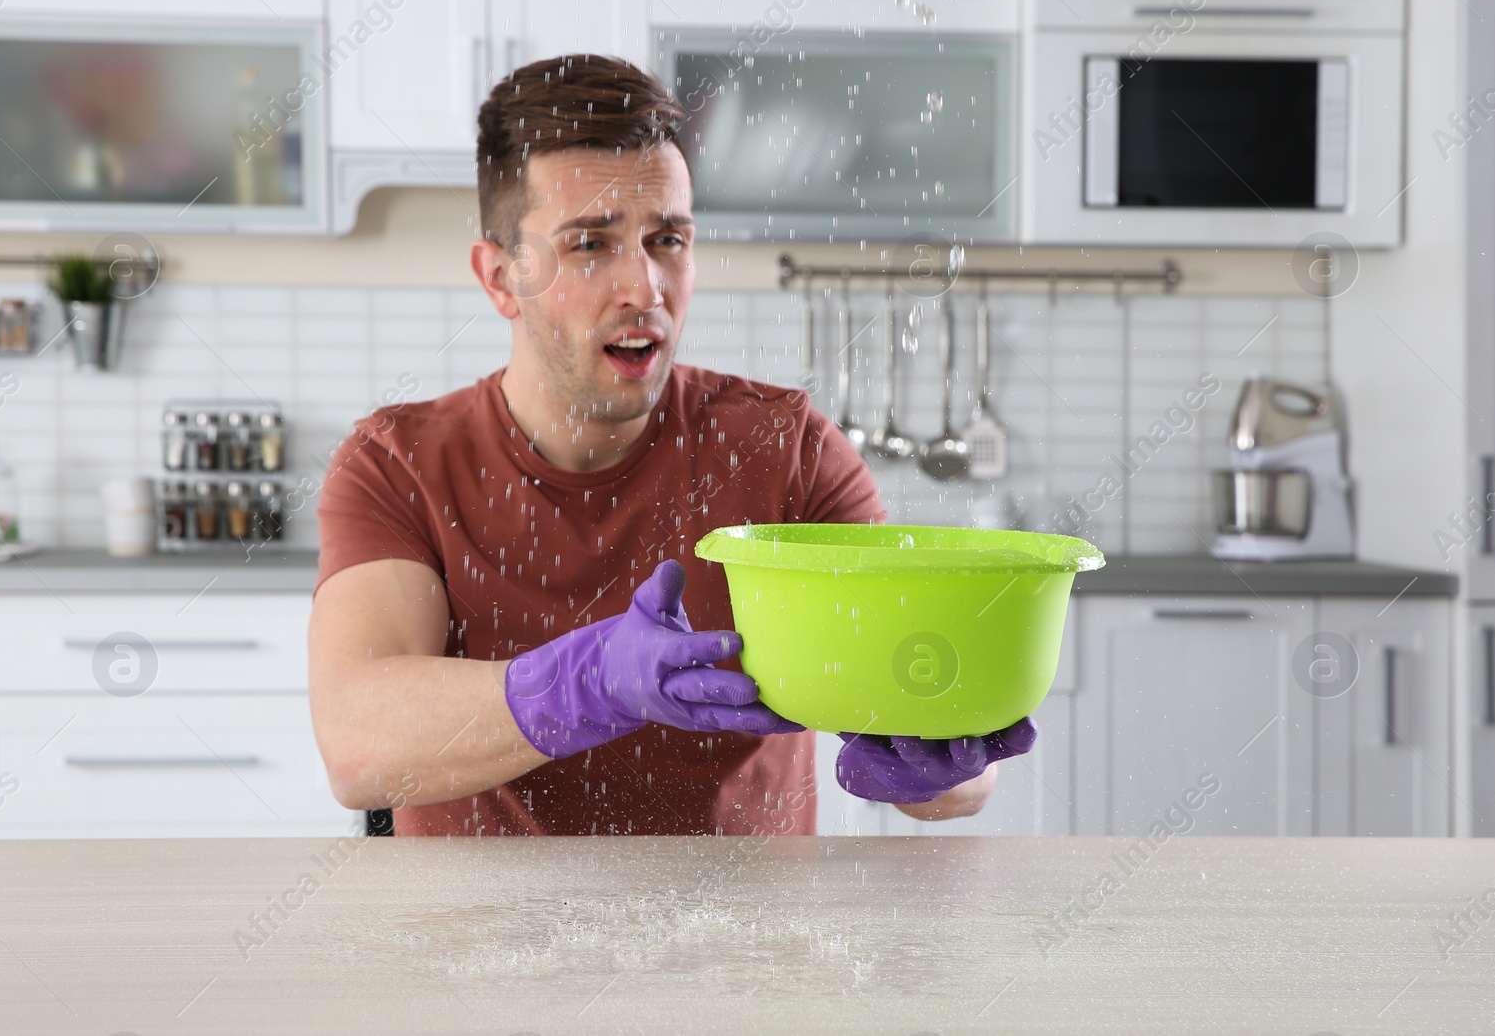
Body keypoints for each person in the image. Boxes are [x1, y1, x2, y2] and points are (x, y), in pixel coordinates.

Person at [307, 53, 1035, 837]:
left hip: (744, 942)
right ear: (498, 279)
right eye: (590, 244)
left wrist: (945, 763)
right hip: (479, 941)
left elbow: (924, 712)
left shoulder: (787, 454)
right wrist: (583, 687)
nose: (645, 286)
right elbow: (357, 743)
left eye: (667, 240)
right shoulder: (400, 464)